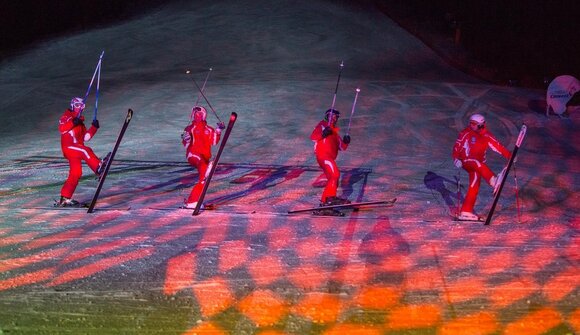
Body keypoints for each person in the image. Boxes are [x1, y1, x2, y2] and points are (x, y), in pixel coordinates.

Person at [452, 113, 511, 221]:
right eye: (470, 123)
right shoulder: (466, 133)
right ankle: (493, 181)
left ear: (481, 125)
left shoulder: (487, 136)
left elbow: (498, 147)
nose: (471, 125)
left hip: (478, 166)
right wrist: (456, 159)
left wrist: (510, 156)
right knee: (476, 162)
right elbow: (457, 146)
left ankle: (466, 211)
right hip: (466, 161)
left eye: (474, 124)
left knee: (474, 185)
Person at [58, 97, 110, 206]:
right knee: (85, 150)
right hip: (69, 147)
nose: (80, 108)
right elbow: (62, 129)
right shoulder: (66, 116)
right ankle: (98, 167)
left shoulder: (80, 123)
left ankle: (65, 198)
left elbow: (85, 137)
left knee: (76, 173)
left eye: (82, 106)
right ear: (72, 105)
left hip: (76, 149)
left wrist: (94, 128)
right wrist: (73, 122)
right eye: (77, 105)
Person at [181, 106, 225, 209]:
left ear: (204, 116)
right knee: (204, 168)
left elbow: (214, 142)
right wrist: (186, 139)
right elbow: (186, 144)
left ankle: (193, 200)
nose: (198, 117)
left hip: (204, 157)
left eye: (200, 115)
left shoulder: (209, 129)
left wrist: (218, 130)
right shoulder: (189, 128)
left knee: (203, 179)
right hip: (193, 155)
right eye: (196, 115)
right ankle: (192, 201)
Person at [310, 108, 351, 207]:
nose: (333, 118)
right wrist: (323, 133)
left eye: (335, 117)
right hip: (323, 156)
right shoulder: (323, 125)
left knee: (333, 180)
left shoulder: (334, 132)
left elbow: (342, 147)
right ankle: (330, 199)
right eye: (331, 116)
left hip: (329, 158)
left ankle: (325, 201)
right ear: (326, 116)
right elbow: (313, 137)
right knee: (335, 175)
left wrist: (346, 142)